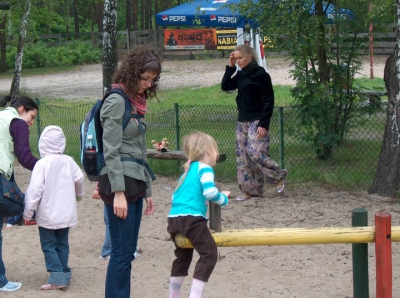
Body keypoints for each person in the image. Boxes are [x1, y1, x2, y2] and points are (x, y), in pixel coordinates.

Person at [97, 45, 160, 298]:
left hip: (135, 181)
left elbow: (139, 149)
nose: (148, 84)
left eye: (152, 80)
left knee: (128, 252)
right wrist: (118, 192)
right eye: (144, 78)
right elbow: (110, 150)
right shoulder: (116, 100)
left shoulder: (136, 102)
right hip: (119, 183)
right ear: (133, 73)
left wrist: (148, 189)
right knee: (121, 254)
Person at [221, 44, 288, 201]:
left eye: (240, 58)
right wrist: (230, 67)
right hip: (242, 121)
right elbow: (225, 86)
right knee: (243, 157)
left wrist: (264, 123)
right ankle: (251, 191)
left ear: (249, 56)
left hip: (257, 120)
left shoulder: (261, 75)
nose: (237, 61)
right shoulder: (240, 75)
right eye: (235, 59)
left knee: (255, 153)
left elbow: (268, 100)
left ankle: (278, 176)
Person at [167, 131, 230, 298]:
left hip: (173, 219)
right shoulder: (205, 169)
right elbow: (210, 192)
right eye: (216, 150)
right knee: (209, 254)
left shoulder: (187, 172)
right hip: (192, 219)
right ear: (209, 152)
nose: (217, 154)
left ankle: (174, 295)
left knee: (183, 256)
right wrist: (223, 198)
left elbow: (175, 196)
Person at [23, 125, 84, 290]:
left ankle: (57, 276)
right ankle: (64, 272)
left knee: (49, 245)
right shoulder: (69, 161)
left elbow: (34, 191)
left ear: (42, 143)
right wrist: (79, 195)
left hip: (48, 215)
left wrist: (28, 213)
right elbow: (79, 179)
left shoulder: (42, 164)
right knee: (62, 243)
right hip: (66, 214)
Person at [0, 95, 39, 292]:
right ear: (22, 109)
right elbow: (24, 157)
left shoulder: (1, 117)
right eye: (31, 117)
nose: (31, 123)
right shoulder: (17, 122)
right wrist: (44, 166)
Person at [92, 186, 140, 261]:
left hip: (127, 190)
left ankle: (130, 249)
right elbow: (106, 175)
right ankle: (107, 252)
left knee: (127, 220)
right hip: (113, 192)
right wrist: (98, 188)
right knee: (111, 223)